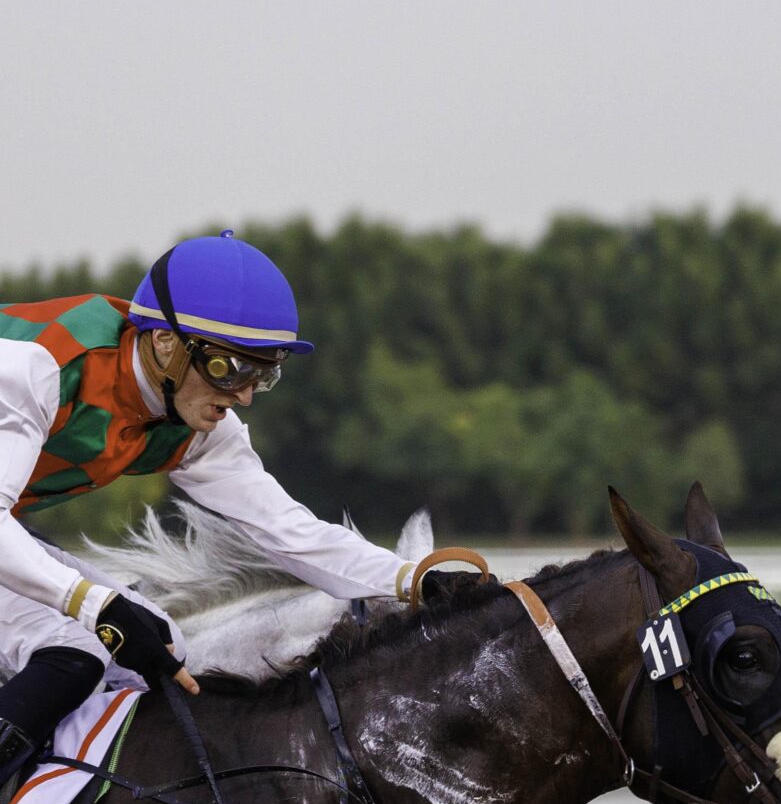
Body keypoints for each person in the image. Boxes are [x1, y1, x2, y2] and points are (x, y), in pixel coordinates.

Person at [0, 230, 465, 767]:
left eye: (263, 374)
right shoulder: (37, 370)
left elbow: (292, 533)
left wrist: (415, 580)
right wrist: (93, 603)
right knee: (80, 647)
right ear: (165, 344)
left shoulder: (199, 426)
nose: (243, 394)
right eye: (230, 367)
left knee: (161, 644)